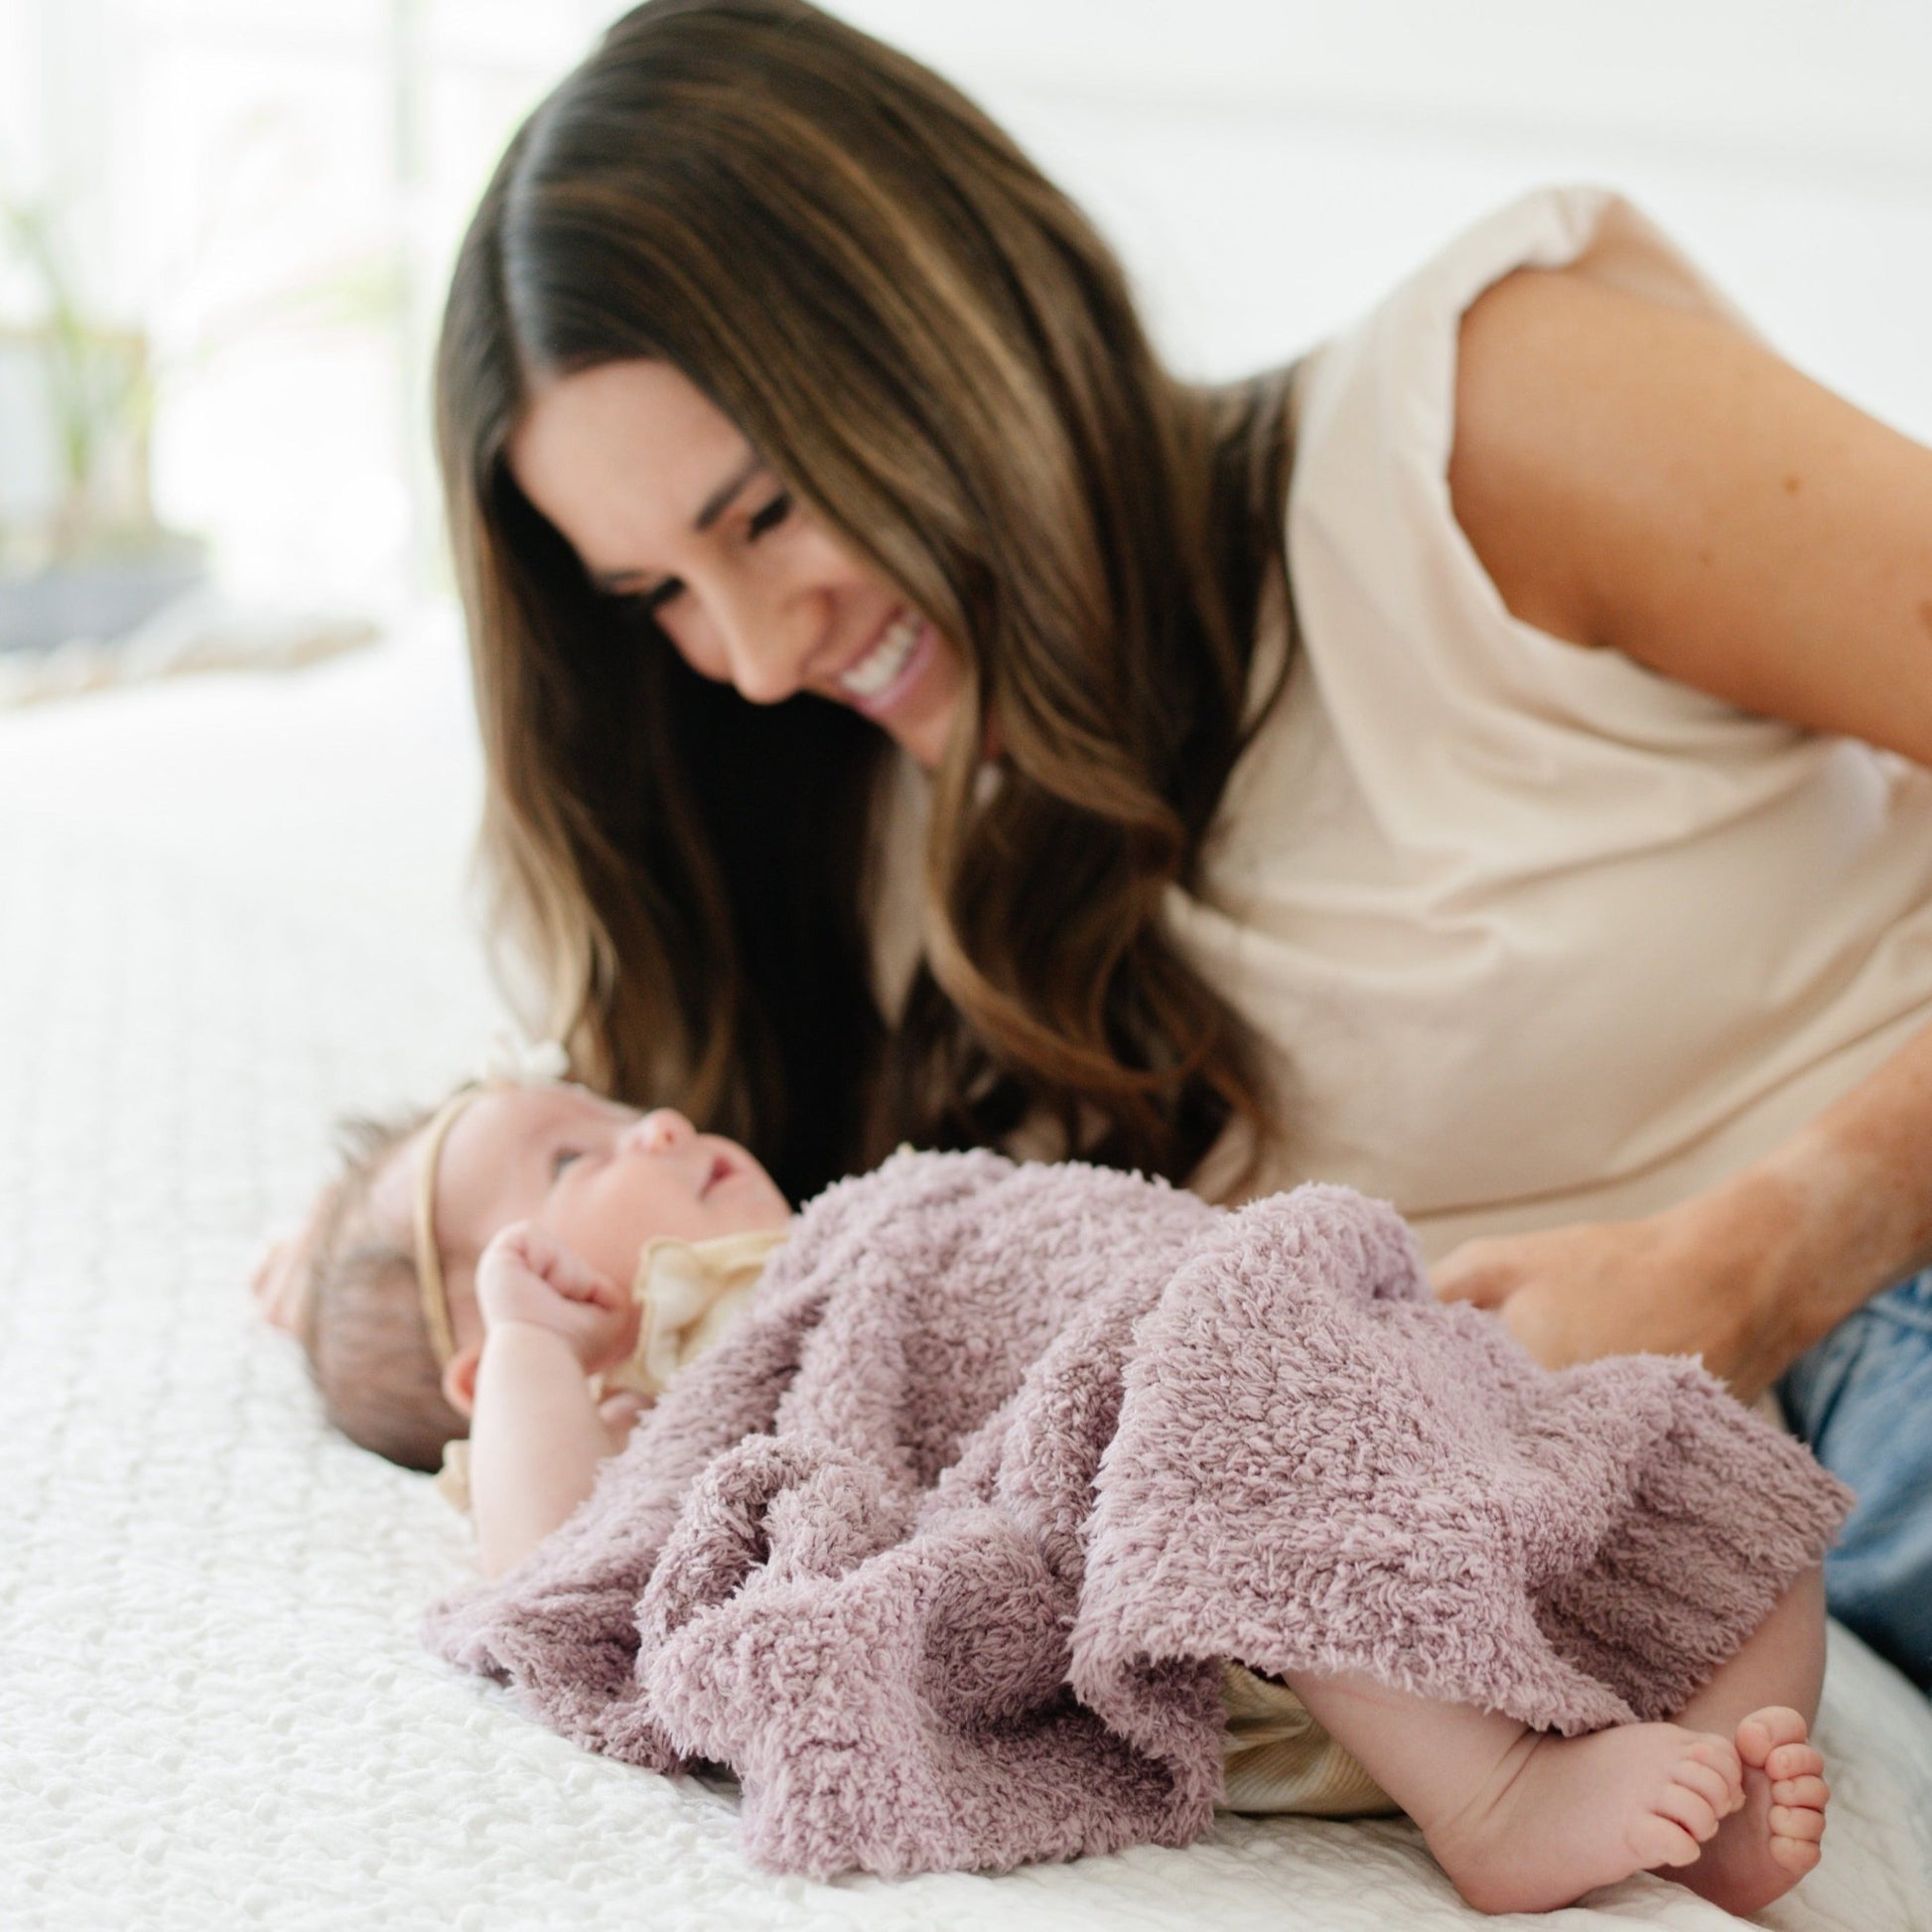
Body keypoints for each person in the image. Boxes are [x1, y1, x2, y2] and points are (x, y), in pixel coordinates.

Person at [435, 0, 1932, 1688]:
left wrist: (1751, 1253)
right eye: (657, 598)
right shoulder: (838, 882)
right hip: (1669, 1516)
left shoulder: (1466, 433)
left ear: (952, 322)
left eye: (767, 514)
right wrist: (413, 1237)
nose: (763, 655)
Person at [258, 1071, 1836, 1916]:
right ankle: (1491, 1799)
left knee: (1694, 1458)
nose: (653, 1124)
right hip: (1175, 1499)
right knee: (1219, 1354)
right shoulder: (664, 1378)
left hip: (1359, 1430)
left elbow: (1043, 1260)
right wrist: (528, 1356)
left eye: (609, 1107)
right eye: (563, 1165)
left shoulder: (862, 1220)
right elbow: (553, 1577)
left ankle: (1695, 1801)